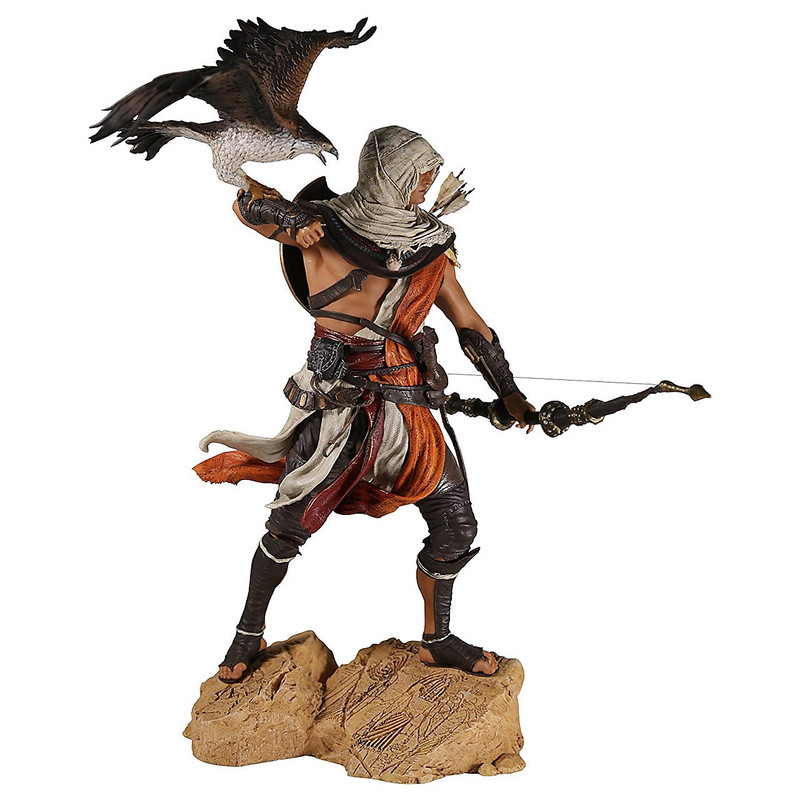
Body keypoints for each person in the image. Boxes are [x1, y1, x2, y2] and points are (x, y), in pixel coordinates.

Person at [195, 126, 536, 683]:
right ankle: (246, 634)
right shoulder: (320, 226)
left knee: (456, 525)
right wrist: (289, 219)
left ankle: (438, 640)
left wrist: (511, 393)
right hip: (338, 406)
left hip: (406, 412)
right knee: (287, 525)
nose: (427, 187)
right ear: (393, 173)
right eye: (420, 175)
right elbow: (245, 204)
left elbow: (470, 325)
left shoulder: (428, 249)